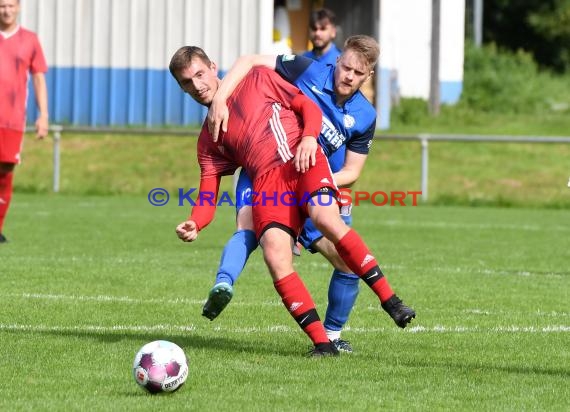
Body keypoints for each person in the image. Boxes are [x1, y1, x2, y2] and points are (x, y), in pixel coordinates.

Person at [169, 46, 411, 357]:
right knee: (274, 255)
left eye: (200, 74)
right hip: (269, 184)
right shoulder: (208, 140)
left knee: (326, 219)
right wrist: (196, 222)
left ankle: (392, 301)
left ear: (213, 68)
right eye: (187, 82)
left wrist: (310, 137)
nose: (197, 85)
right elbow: (206, 194)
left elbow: (306, 106)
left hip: (302, 157)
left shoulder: (257, 79)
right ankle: (323, 345)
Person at [0, 0, 49, 243]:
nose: (6, 10)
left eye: (10, 5)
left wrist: (44, 115)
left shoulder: (30, 40)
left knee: (6, 171)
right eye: (1, 6)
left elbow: (39, 78)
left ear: (18, 7)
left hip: (12, 119)